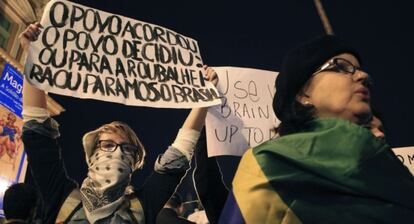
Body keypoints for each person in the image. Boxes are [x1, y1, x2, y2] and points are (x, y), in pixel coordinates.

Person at [20, 23, 218, 224]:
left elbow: (179, 155)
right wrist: (33, 56)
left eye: (127, 149)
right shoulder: (61, 197)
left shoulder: (141, 206)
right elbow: (38, 133)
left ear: (134, 162)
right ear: (91, 154)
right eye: (107, 145)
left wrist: (204, 99)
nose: (117, 153)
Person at [218, 35, 414, 223]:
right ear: (304, 92)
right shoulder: (268, 166)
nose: (363, 75)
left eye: (360, 70)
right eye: (341, 66)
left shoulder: (390, 168)